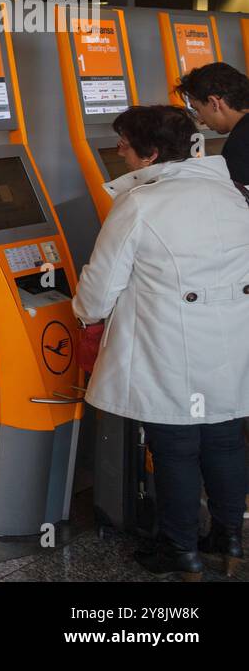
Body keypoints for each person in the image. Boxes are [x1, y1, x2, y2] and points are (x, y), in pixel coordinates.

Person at [73, 104, 249, 580]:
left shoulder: (139, 205)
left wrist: (84, 315)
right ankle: (230, 541)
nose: (118, 153)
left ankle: (182, 551)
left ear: (149, 154)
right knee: (226, 439)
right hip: (232, 342)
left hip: (169, 345)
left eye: (123, 145)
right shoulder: (232, 194)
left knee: (175, 447)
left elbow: (99, 288)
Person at [177, 62, 249, 184]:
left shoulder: (239, 145)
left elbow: (239, 200)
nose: (200, 120)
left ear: (214, 103)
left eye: (198, 109)